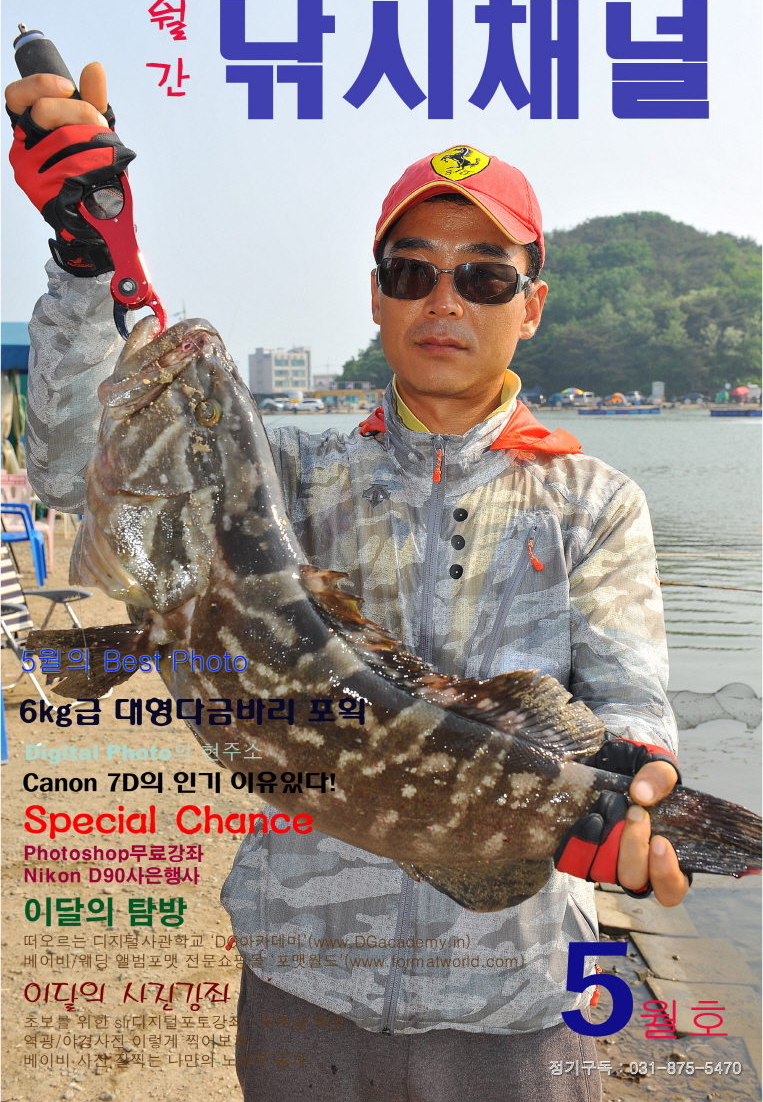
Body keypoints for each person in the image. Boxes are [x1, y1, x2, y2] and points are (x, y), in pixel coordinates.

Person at [7, 63, 689, 1102]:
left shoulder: (594, 501)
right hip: (301, 984)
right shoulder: (284, 476)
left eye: (484, 277)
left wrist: (639, 792)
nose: (443, 299)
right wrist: (84, 266)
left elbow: (629, 705)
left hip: (516, 998)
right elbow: (73, 471)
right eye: (411, 272)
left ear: (531, 305)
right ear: (376, 295)